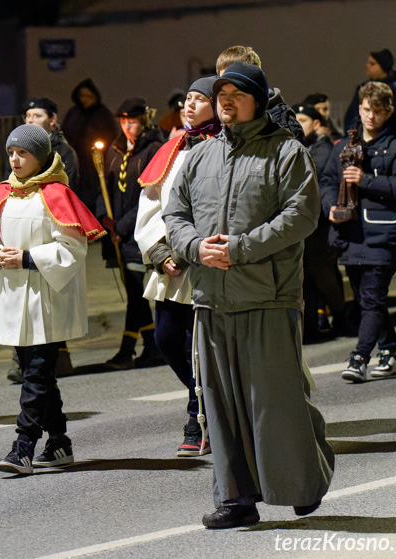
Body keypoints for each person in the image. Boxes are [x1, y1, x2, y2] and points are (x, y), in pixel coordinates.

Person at [164, 63, 334, 529]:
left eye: (236, 92)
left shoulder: (285, 152)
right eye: (220, 92)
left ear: (257, 99)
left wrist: (238, 249)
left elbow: (300, 217)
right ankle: (236, 500)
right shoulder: (199, 156)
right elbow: (174, 213)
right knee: (219, 408)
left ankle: (302, 483)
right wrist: (196, 248)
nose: (225, 100)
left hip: (267, 296)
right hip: (211, 297)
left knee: (276, 402)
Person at [0, 124, 104, 474]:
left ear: (39, 156)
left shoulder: (56, 193)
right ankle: (59, 443)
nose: (14, 159)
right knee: (36, 373)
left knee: (37, 373)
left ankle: (23, 445)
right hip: (14, 295)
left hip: (48, 296)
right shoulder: (4, 193)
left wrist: (28, 258)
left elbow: (74, 247)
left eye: (22, 153)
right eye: (11, 152)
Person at [134, 77, 221, 457]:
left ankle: (197, 416)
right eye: (187, 98)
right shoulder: (172, 148)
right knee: (166, 338)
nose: (189, 105)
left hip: (205, 260)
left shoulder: (223, 146)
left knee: (203, 344)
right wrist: (158, 251)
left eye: (200, 100)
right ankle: (202, 399)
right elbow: (150, 207)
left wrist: (192, 247)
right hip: (172, 264)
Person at [321, 81, 396, 382]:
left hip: (382, 236)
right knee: (367, 300)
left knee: (372, 299)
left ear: (388, 112)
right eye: (366, 110)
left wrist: (365, 180)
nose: (370, 117)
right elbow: (326, 181)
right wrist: (330, 209)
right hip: (350, 235)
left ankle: (359, 358)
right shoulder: (345, 146)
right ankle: (390, 353)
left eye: (377, 111)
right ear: (359, 107)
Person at [4, 96, 81, 383]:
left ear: (52, 119)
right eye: (27, 115)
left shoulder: (64, 154)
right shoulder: (17, 165)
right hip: (20, 248)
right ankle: (55, 426)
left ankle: (52, 361)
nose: (30, 120)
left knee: (48, 321)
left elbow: (65, 197)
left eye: (37, 115)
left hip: (48, 238)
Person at [95, 98, 164, 370]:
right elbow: (105, 187)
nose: (126, 127)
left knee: (136, 292)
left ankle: (127, 350)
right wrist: (105, 218)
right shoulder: (115, 148)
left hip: (139, 232)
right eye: (122, 121)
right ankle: (152, 345)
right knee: (134, 291)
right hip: (118, 235)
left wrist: (123, 226)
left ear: (143, 121)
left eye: (131, 121)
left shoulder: (154, 149)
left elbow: (150, 195)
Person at [292, 102, 347, 341]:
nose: (296, 125)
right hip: (309, 226)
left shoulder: (321, 149)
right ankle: (313, 324)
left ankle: (342, 319)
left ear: (316, 124)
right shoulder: (307, 146)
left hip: (320, 227)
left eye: (302, 120)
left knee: (323, 275)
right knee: (310, 277)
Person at [215, 45, 304, 143]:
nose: (227, 86)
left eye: (235, 80)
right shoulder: (220, 114)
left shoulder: (282, 119)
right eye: (223, 80)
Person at [61, 78, 118, 213]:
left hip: (96, 163)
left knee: (97, 196)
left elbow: (111, 136)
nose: (85, 99)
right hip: (77, 162)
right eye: (82, 96)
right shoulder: (74, 113)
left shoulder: (103, 114)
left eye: (88, 96)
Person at [344, 49, 396, 134]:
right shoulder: (363, 87)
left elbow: (395, 119)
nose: (367, 66)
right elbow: (352, 116)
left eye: (372, 64)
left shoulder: (395, 90)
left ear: (383, 67)